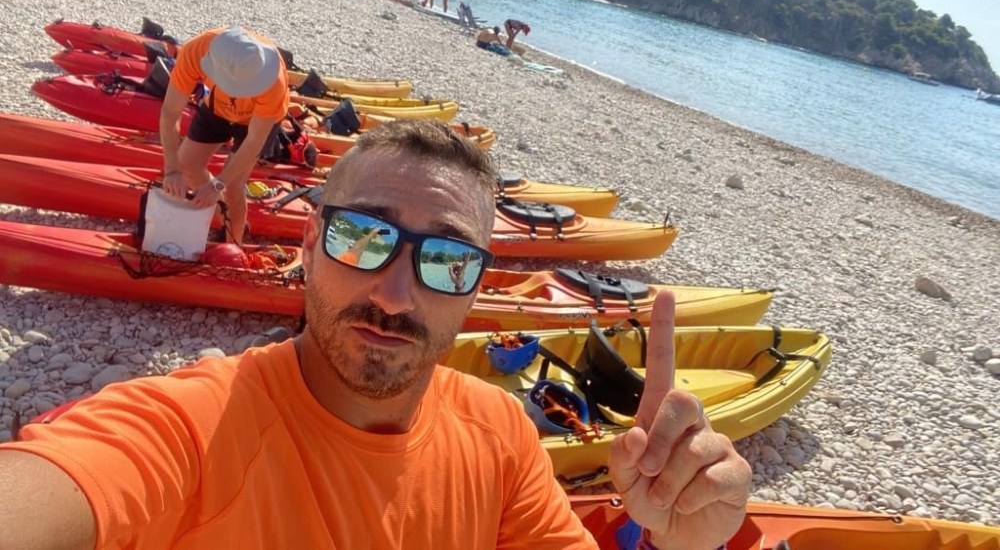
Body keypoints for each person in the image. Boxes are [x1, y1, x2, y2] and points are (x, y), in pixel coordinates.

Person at [0, 120, 750, 549]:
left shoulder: (498, 435)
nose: (394, 293)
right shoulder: (194, 427)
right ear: (306, 245)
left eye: (447, 260)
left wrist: (678, 544)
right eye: (362, 238)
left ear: (478, 290)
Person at [159, 25, 290, 245]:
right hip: (216, 107)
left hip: (255, 122)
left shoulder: (273, 82)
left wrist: (219, 184)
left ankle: (234, 244)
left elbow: (254, 141)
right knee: (186, 164)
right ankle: (227, 215)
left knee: (233, 185)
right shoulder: (195, 51)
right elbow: (170, 112)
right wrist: (171, 169)